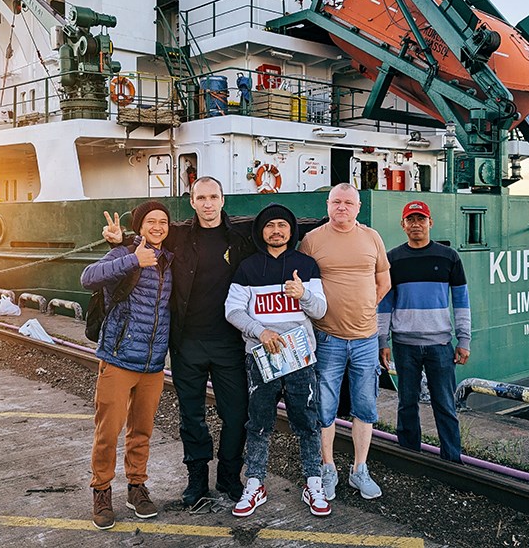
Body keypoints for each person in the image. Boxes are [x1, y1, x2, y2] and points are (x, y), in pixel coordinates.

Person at [102, 177, 253, 506]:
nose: (208, 203)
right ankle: (196, 478)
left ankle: (229, 476)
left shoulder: (240, 235)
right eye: (201, 197)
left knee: (236, 413)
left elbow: (278, 229)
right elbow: (149, 238)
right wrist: (120, 241)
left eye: (214, 196)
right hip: (186, 343)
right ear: (193, 201)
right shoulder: (180, 234)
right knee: (192, 416)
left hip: (229, 342)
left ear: (223, 200)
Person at [225, 203, 330, 517]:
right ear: (261, 231)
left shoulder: (306, 265)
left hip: (300, 359)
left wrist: (303, 296)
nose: (276, 231)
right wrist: (260, 331)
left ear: (291, 231)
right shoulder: (247, 267)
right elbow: (232, 310)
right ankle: (255, 482)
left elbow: (321, 310)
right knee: (259, 424)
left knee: (307, 424)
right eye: (269, 226)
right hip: (261, 358)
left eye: (282, 225)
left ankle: (313, 481)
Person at [82, 201, 173, 530]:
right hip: (118, 359)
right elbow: (87, 278)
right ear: (139, 226)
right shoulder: (123, 254)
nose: (158, 227)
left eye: (163, 222)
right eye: (151, 221)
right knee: (108, 432)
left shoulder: (169, 261)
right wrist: (131, 257)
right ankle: (101, 490)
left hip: (152, 365)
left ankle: (136, 487)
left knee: (142, 432)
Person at [299, 183, 391, 501]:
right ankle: (327, 469)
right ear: (327, 205)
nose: (342, 207)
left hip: (366, 339)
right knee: (324, 408)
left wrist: (367, 308)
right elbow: (302, 287)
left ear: (358, 207)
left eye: (348, 202)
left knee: (365, 407)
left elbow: (384, 280)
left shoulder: (372, 237)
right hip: (328, 337)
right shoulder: (312, 241)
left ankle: (359, 470)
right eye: (336, 202)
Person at [377, 200, 471, 463]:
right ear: (403, 225)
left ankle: (452, 460)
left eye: (421, 219)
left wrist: (463, 339)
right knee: (406, 403)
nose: (416, 224)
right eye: (411, 220)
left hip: (440, 345)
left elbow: (461, 300)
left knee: (445, 405)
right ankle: (409, 456)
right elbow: (384, 304)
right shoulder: (392, 259)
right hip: (404, 345)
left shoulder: (448, 257)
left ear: (430, 223)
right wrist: (382, 340)